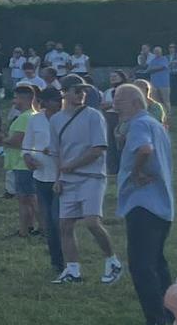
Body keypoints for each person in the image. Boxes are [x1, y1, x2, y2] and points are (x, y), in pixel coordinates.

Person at [51, 75, 123, 287]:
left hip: (91, 177)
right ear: (64, 92)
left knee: (92, 221)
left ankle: (112, 261)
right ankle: (72, 270)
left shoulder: (94, 116)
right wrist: (58, 178)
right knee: (65, 225)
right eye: (76, 90)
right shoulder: (55, 120)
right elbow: (56, 153)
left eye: (83, 91)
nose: (81, 94)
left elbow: (98, 149)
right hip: (68, 179)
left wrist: (72, 165)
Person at [113, 83, 175, 325]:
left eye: (120, 100)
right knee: (158, 263)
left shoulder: (139, 124)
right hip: (162, 203)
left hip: (143, 204)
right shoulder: (155, 124)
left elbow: (145, 148)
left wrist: (136, 171)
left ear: (136, 102)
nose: (116, 104)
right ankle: (172, 312)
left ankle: (155, 320)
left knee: (141, 265)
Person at [25, 85, 65, 275]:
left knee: (59, 220)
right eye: (54, 100)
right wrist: (27, 157)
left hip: (61, 176)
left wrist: (56, 151)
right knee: (48, 220)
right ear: (45, 103)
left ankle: (68, 259)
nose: (58, 103)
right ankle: (56, 261)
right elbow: (27, 143)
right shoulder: (35, 120)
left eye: (59, 100)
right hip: (40, 175)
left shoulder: (66, 119)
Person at [2, 83, 41, 237]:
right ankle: (32, 227)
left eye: (16, 98)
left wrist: (2, 140)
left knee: (26, 199)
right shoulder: (31, 115)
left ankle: (27, 231)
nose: (13, 101)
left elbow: (17, 141)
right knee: (30, 198)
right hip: (23, 163)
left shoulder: (25, 117)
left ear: (24, 99)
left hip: (22, 164)